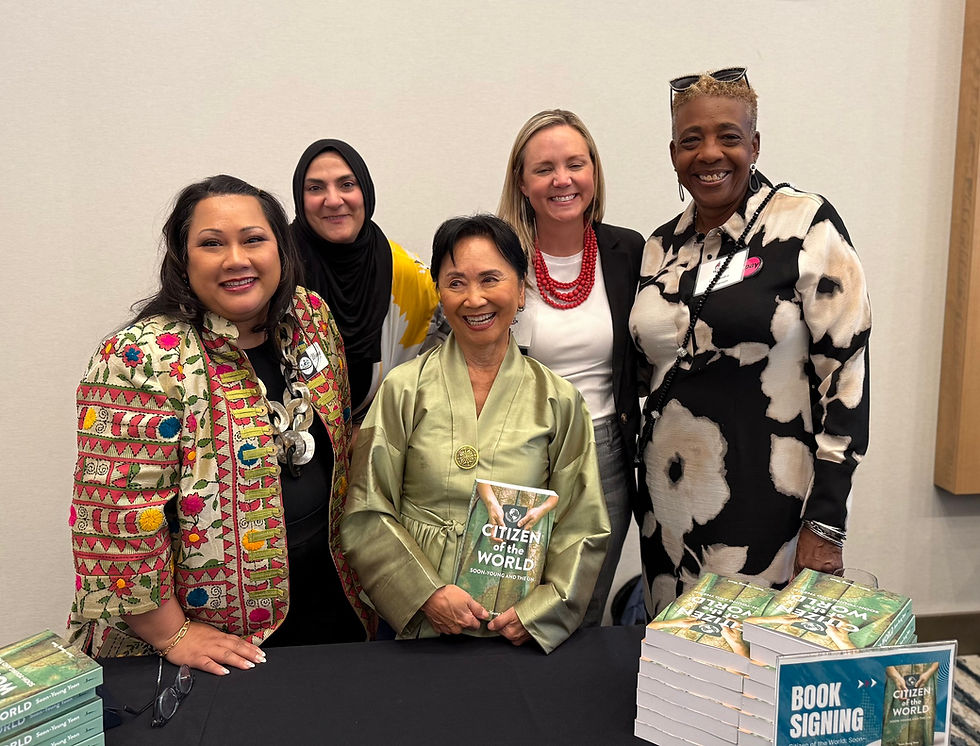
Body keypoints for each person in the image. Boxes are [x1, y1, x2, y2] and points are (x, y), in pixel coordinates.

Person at [68, 175, 375, 675]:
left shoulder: (310, 318)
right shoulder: (140, 358)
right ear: (183, 260)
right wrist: (170, 632)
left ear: (282, 248)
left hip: (329, 593)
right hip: (204, 634)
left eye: (254, 239)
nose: (237, 259)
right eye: (212, 244)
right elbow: (115, 519)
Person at [629, 67, 871, 615]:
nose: (709, 153)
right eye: (691, 140)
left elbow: (848, 377)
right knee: (681, 674)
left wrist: (826, 523)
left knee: (755, 673)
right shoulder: (658, 248)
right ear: (673, 153)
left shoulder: (806, 226)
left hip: (772, 510)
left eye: (728, 137)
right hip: (667, 516)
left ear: (755, 144)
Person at [340, 214, 610, 654]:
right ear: (439, 294)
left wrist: (539, 611)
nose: (474, 298)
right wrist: (426, 594)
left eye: (490, 279)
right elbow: (367, 509)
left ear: (521, 290)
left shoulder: (560, 399)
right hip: (418, 620)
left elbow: (583, 523)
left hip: (515, 623)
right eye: (456, 283)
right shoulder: (403, 388)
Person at [497, 109, 645, 626]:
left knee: (578, 609)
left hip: (605, 452)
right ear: (522, 180)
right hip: (519, 453)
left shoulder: (629, 251)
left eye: (575, 164)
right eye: (544, 168)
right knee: (508, 604)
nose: (562, 179)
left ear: (594, 172)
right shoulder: (499, 256)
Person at [290, 139, 440, 426]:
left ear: (366, 192)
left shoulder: (408, 273)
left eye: (347, 184)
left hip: (381, 441)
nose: (333, 200)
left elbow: (436, 370)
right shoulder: (274, 270)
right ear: (300, 196)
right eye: (315, 188)